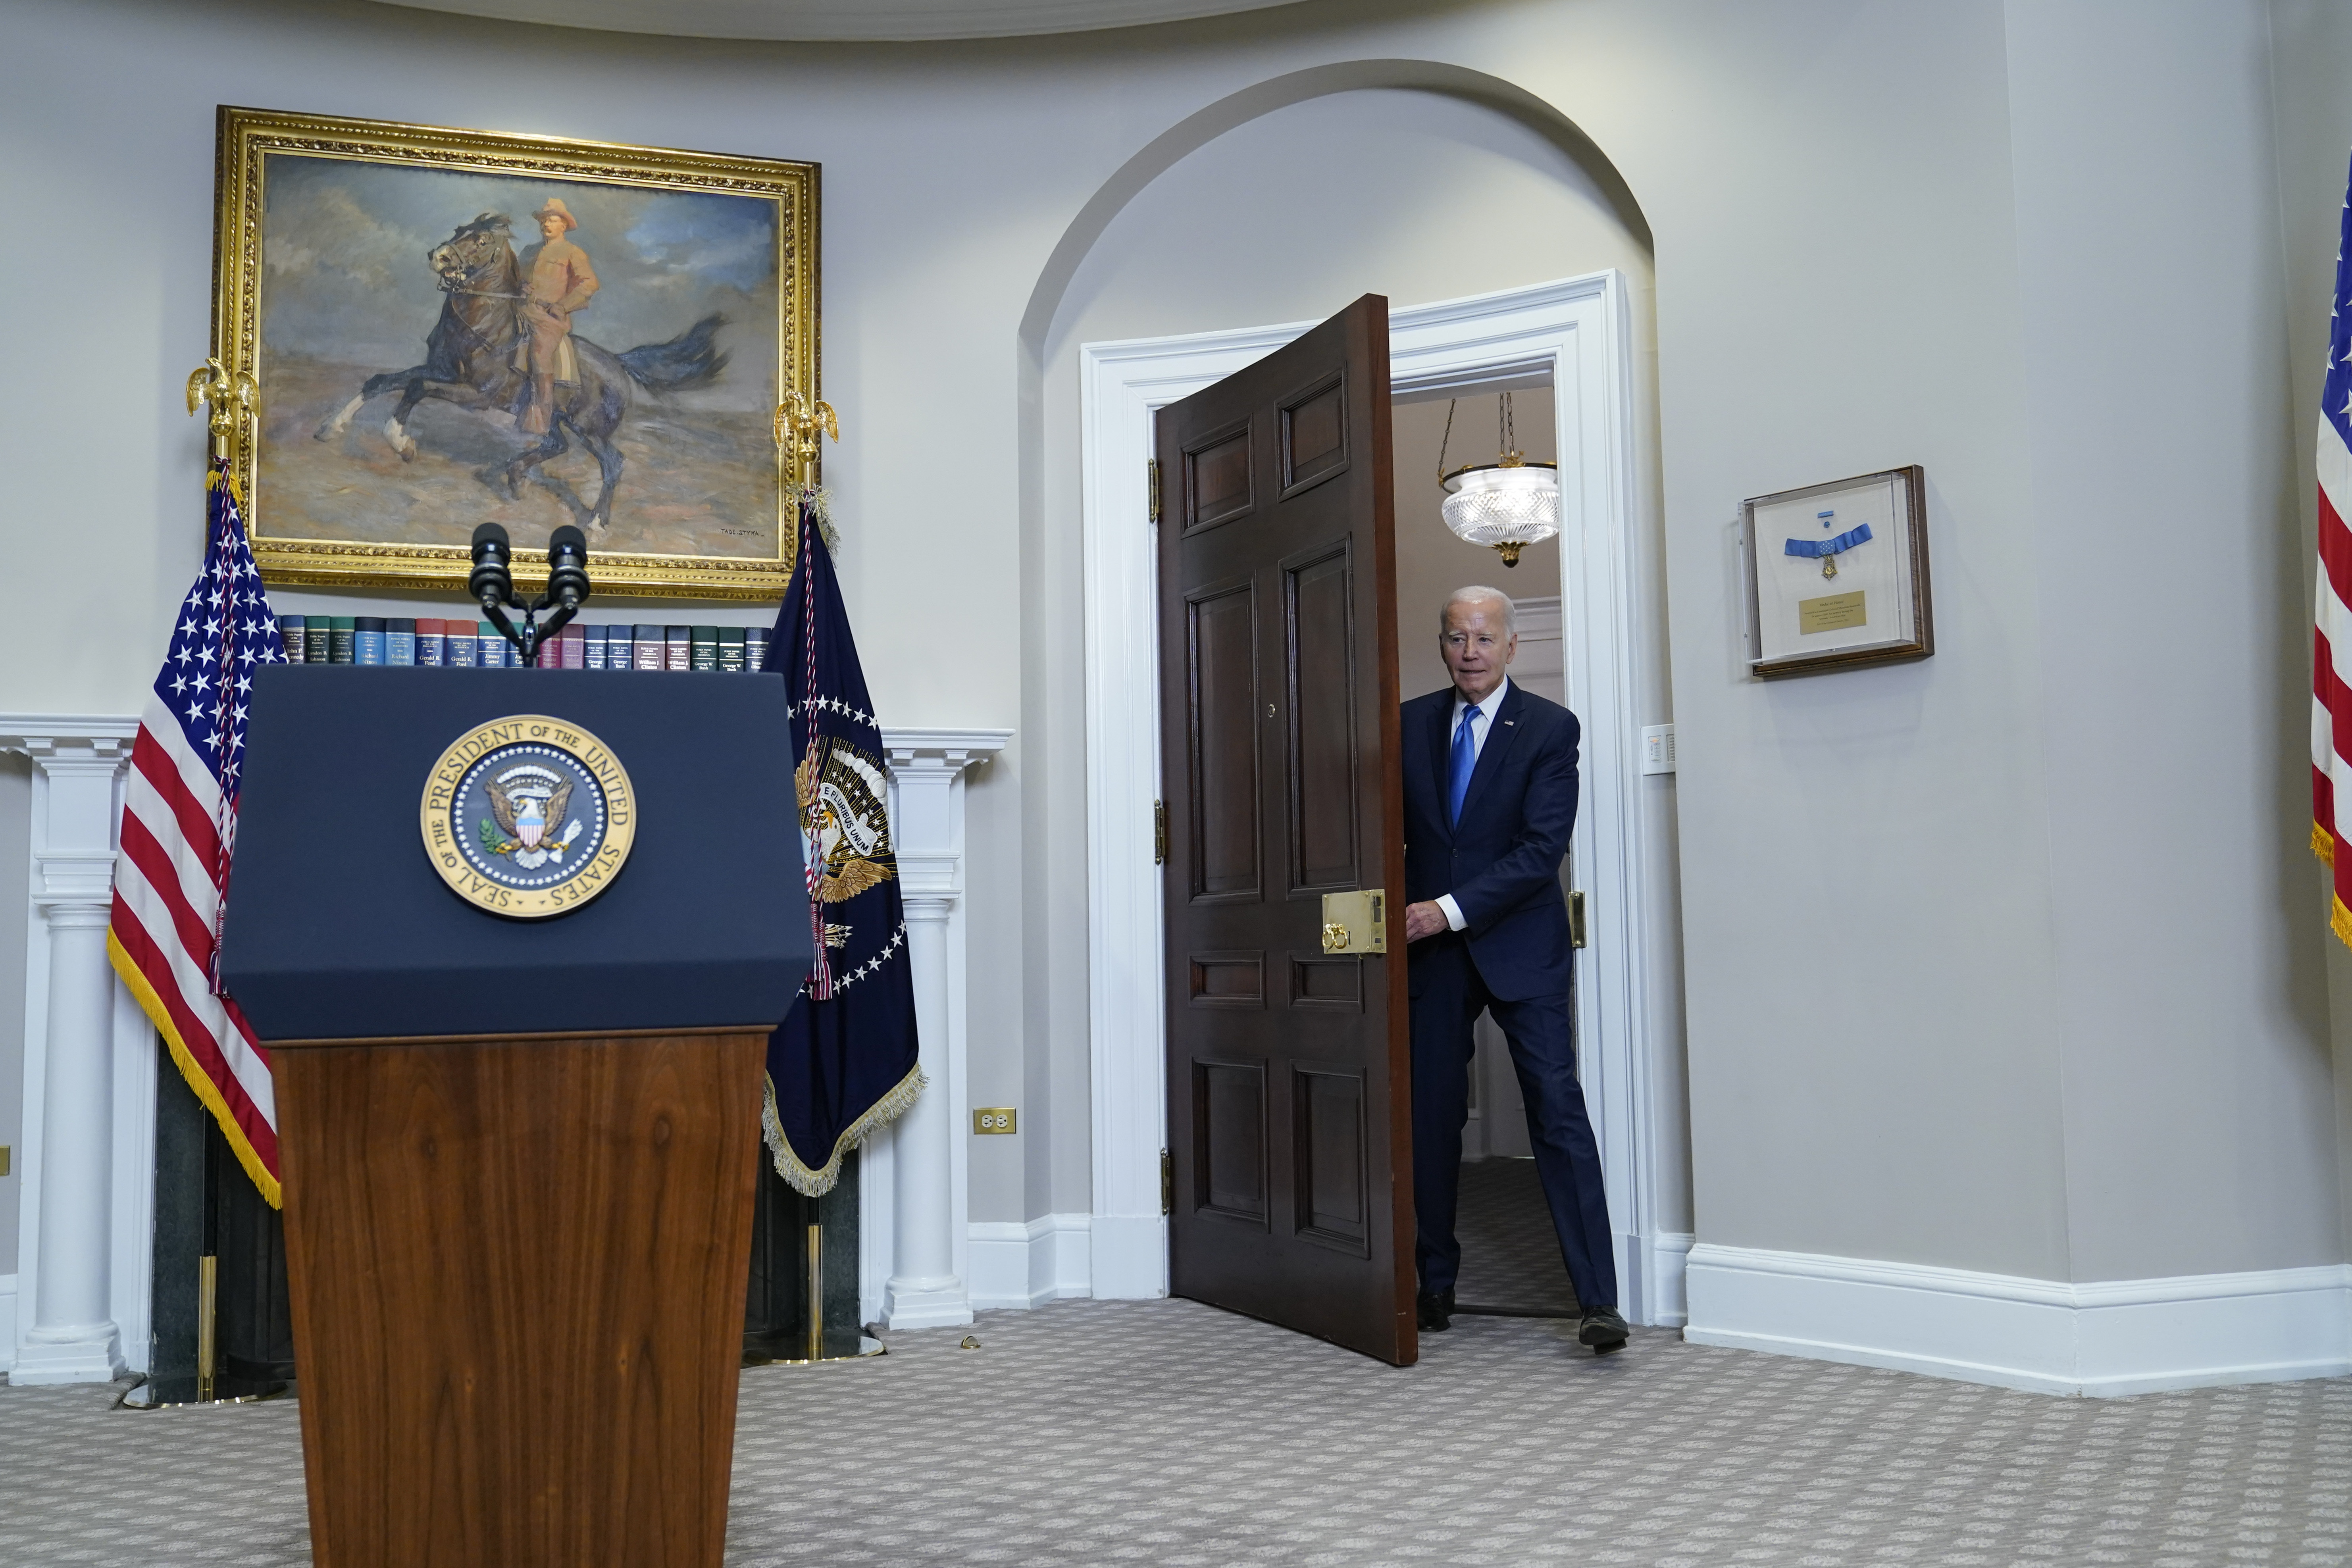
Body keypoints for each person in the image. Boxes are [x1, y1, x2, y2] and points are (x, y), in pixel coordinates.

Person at [1401, 585, 1627, 1354]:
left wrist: (1448, 907)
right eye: (1455, 637)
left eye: (1483, 638)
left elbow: (1540, 848)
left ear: (1510, 646)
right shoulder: (1405, 724)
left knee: (1556, 1112)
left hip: (1517, 945)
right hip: (1428, 956)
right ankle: (1431, 1282)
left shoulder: (1548, 728)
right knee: (1427, 1119)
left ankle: (1596, 1298)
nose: (1469, 651)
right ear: (1442, 644)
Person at [513, 197, 599, 435]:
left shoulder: (573, 252)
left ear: (564, 225)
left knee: (540, 353)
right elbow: (517, 279)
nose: (546, 225)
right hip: (521, 309)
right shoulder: (529, 251)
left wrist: (563, 306)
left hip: (549, 318)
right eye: (543, 221)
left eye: (551, 220)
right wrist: (520, 287)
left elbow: (590, 283)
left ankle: (541, 415)